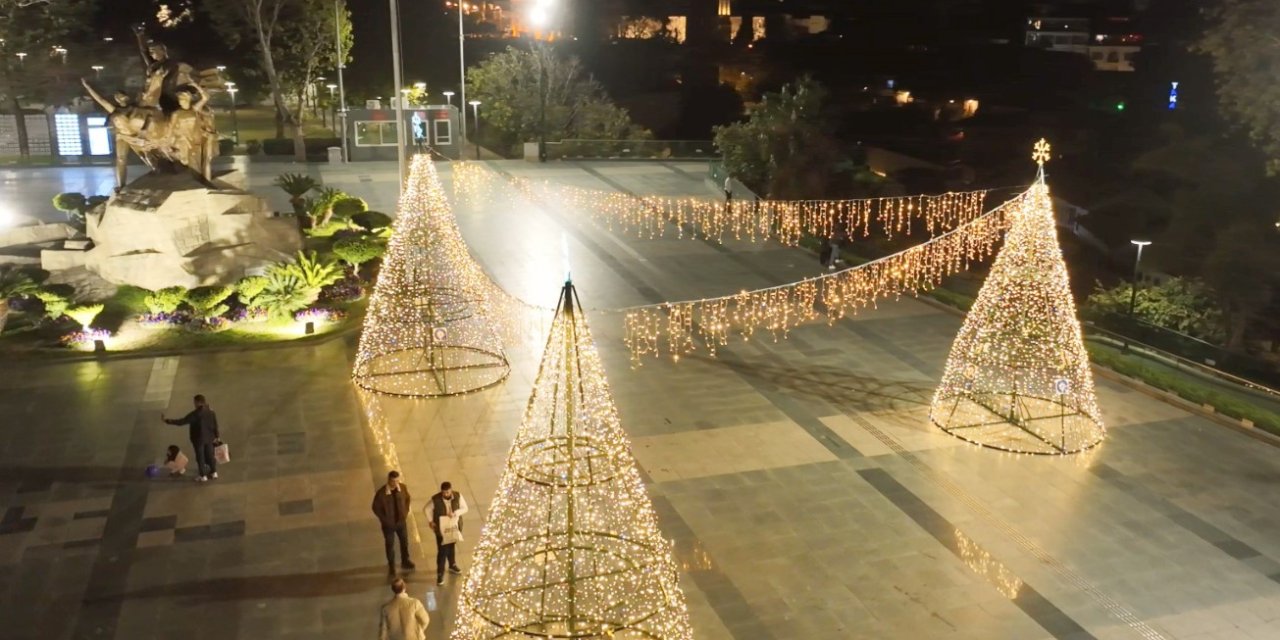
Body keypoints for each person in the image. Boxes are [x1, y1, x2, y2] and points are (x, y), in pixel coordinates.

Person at [162, 394, 220, 482]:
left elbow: (182, 422)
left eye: (194, 402)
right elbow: (215, 425)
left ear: (197, 402)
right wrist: (217, 436)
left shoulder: (195, 414)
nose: (194, 404)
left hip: (198, 439)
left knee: (200, 457)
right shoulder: (211, 411)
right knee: (210, 455)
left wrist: (167, 421)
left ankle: (202, 475)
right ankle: (214, 472)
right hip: (209, 438)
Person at [425, 481, 468, 586]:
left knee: (451, 546)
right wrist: (431, 521)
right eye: (444, 493)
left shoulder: (458, 496)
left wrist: (455, 513)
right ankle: (440, 574)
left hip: (453, 527)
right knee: (442, 551)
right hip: (441, 530)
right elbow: (427, 509)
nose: (446, 494)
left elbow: (465, 508)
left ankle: (452, 564)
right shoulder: (435, 499)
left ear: (451, 490)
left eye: (448, 492)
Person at [373, 471, 415, 574]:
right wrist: (385, 520)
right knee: (390, 544)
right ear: (389, 480)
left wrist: (405, 512)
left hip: (401, 522)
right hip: (389, 525)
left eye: (397, 480)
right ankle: (391, 564)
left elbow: (407, 499)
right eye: (393, 481)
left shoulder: (402, 488)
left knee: (404, 542)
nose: (396, 483)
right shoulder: (381, 493)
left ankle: (405, 560)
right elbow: (376, 508)